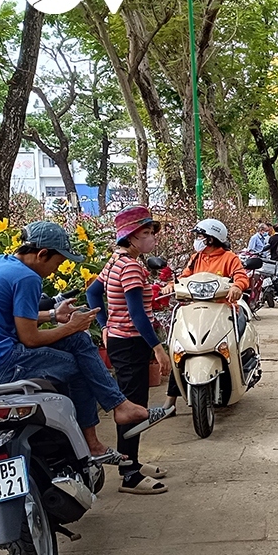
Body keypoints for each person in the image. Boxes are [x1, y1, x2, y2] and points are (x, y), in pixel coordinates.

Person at [0, 221, 152, 462]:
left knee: (75, 341)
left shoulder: (2, 263)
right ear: (42, 254)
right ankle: (97, 436)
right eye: (58, 262)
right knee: (79, 366)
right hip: (0, 364)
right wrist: (71, 326)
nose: (57, 269)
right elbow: (30, 338)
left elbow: (13, 316)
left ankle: (117, 408)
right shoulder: (27, 278)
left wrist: (54, 315)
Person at [86, 206, 174, 495]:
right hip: (133, 343)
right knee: (131, 409)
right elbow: (138, 315)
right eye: (146, 233)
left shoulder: (115, 261)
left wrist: (106, 325)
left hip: (121, 341)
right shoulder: (132, 267)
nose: (152, 239)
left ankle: (132, 461)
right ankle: (130, 474)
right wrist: (158, 350)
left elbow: (92, 293)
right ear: (132, 237)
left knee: (132, 405)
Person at [163, 218, 250, 409]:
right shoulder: (196, 258)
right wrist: (172, 285)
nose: (197, 240)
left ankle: (239, 374)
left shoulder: (229, 258)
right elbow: (184, 277)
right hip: (195, 310)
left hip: (221, 309)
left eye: (200, 236)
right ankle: (170, 401)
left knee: (230, 344)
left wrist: (237, 286)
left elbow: (241, 276)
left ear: (211, 239)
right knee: (180, 347)